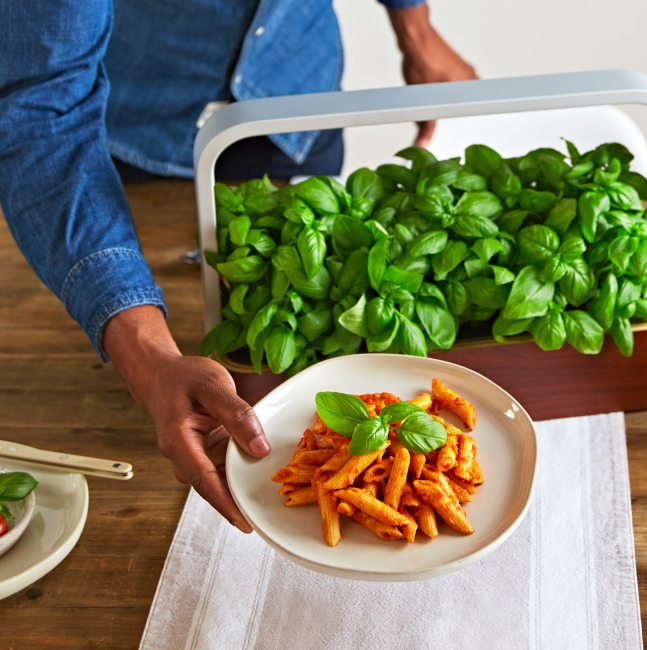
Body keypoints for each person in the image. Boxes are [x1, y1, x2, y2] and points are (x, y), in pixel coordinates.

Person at [0, 0, 476, 532]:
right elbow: (43, 110)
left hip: (297, 92)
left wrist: (414, 27)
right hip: (136, 131)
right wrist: (150, 357)